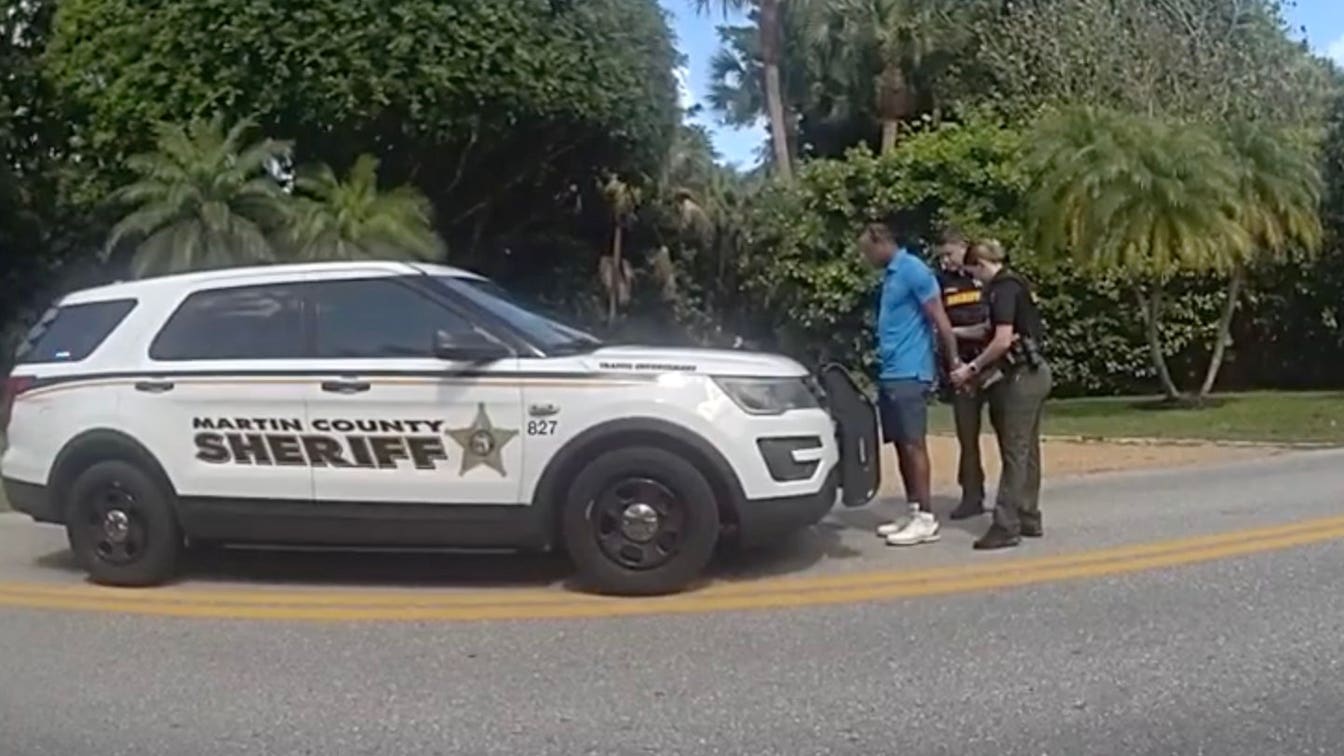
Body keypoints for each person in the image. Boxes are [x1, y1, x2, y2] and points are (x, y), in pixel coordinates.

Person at [858, 222, 960, 547]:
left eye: (868, 250)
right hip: (891, 371)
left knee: (914, 443)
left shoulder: (914, 270)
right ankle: (914, 509)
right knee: (901, 443)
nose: (866, 258)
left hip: (910, 370)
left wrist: (953, 362)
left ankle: (926, 518)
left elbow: (939, 319)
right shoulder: (891, 275)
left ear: (882, 242)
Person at [950, 239, 1052, 550]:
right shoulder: (1014, 284)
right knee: (1028, 449)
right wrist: (953, 331)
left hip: (1021, 376)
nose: (974, 281)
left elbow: (1002, 340)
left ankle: (1006, 524)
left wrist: (971, 368)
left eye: (973, 273)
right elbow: (989, 329)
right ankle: (1028, 515)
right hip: (1034, 373)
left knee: (1015, 450)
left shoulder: (1003, 288)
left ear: (981, 264)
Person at [932, 229, 992, 521]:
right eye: (942, 255)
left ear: (964, 249)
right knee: (967, 437)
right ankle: (971, 494)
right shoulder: (941, 282)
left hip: (992, 361)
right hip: (961, 366)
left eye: (950, 253)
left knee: (1009, 434)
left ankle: (1015, 499)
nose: (946, 260)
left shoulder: (984, 277)